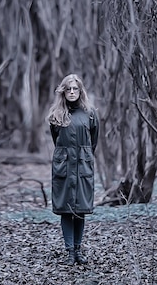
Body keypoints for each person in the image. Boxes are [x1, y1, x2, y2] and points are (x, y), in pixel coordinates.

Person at [47, 74, 99, 266]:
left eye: (75, 89)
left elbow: (93, 140)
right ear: (63, 91)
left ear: (80, 91)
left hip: (83, 166)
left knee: (80, 210)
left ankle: (78, 250)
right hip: (64, 167)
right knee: (66, 211)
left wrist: (84, 157)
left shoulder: (90, 113)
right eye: (68, 89)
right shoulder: (56, 114)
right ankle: (69, 251)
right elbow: (56, 140)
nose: (71, 92)